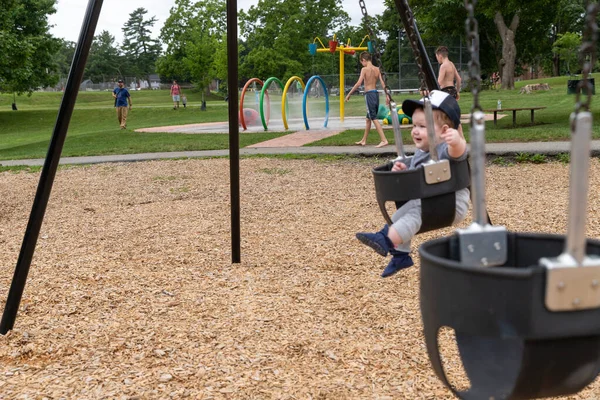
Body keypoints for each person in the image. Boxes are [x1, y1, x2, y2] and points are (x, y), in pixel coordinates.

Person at [355, 90, 469, 277]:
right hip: (432, 201)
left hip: (451, 203)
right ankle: (401, 256)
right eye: (414, 125)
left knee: (414, 213)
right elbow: (415, 173)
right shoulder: (422, 152)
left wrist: (456, 142)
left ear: (444, 131)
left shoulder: (443, 148)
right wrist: (400, 170)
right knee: (400, 214)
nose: (415, 130)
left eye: (422, 126)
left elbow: (459, 154)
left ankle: (386, 239)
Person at [345, 52, 389, 148]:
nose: (362, 64)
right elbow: (383, 83)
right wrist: (387, 96)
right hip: (375, 94)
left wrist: (349, 94)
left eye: (362, 62)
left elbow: (358, 83)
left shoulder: (364, 69)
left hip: (369, 95)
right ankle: (364, 140)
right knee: (368, 119)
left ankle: (384, 140)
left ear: (364, 60)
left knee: (373, 118)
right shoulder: (377, 69)